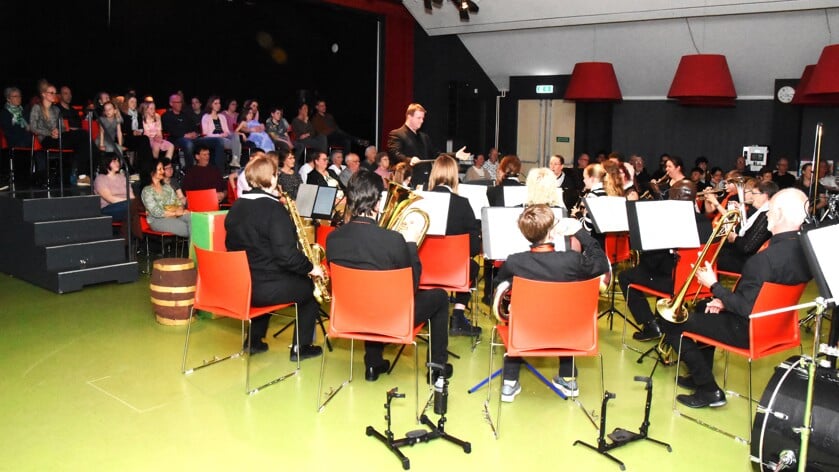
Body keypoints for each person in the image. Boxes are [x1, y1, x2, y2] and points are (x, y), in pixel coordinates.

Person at [665, 188, 812, 408]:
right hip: (777, 327)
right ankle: (700, 374)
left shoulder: (763, 260)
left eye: (770, 211)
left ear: (780, 215)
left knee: (672, 324)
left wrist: (713, 285)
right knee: (705, 307)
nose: (766, 216)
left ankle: (709, 390)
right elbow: (759, 298)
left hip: (748, 330)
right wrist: (722, 301)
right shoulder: (807, 252)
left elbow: (746, 309)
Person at [325, 169, 452, 382]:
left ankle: (373, 364)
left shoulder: (332, 238)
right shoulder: (393, 240)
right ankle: (437, 368)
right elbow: (411, 287)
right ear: (377, 203)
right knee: (439, 297)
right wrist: (410, 244)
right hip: (390, 319)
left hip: (349, 316)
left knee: (367, 295)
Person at [495, 205, 609, 401]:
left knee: (515, 317)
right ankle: (568, 378)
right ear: (551, 232)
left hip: (526, 330)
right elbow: (601, 263)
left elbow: (497, 288)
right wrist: (580, 233)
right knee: (565, 312)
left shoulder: (515, 261)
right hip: (567, 331)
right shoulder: (572, 260)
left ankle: (509, 383)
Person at [224, 155, 324, 359]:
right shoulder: (274, 210)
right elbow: (287, 257)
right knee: (309, 289)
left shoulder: (236, 207)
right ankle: (301, 349)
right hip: (264, 288)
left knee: (269, 277)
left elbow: (231, 246)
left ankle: (253, 341)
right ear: (271, 178)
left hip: (241, 285)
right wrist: (311, 268)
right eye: (276, 174)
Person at [618, 180, 713, 342]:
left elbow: (653, 261)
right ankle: (662, 320)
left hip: (673, 282)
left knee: (625, 276)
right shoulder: (706, 222)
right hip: (698, 282)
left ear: (674, 196)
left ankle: (650, 325)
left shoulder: (666, 222)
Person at [428, 154, 482, 336]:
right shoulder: (463, 204)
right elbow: (474, 247)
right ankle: (458, 315)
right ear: (454, 175)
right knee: (473, 266)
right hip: (454, 271)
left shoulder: (419, 200)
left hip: (424, 270)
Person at [386, 103, 470, 189]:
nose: (422, 121)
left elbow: (436, 155)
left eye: (423, 118)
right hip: (407, 182)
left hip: (426, 182)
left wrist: (455, 154)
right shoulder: (397, 134)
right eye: (419, 118)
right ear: (409, 117)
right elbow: (394, 153)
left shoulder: (424, 137)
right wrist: (409, 160)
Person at [717, 180, 778, 273]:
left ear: (765, 195)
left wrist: (734, 237)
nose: (752, 196)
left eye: (754, 193)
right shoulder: (763, 212)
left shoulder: (766, 216)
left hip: (746, 262)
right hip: (744, 257)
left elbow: (747, 247)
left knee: (710, 256)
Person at [161, 93, 225, 169]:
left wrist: (195, 133)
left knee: (218, 141)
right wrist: (185, 135)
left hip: (192, 138)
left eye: (181, 102)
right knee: (189, 144)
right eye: (177, 102)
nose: (180, 104)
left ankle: (217, 171)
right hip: (177, 139)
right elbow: (170, 130)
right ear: (171, 103)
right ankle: (191, 171)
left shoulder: (185, 115)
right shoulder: (166, 116)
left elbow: (194, 127)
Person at [141, 161, 190, 237]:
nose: (163, 171)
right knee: (187, 228)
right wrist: (175, 213)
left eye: (162, 169)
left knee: (194, 220)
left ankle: (197, 248)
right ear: (152, 172)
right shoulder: (147, 191)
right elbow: (156, 212)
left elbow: (178, 202)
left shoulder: (167, 187)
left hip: (175, 215)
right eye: (160, 169)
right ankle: (196, 248)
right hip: (158, 220)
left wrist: (180, 209)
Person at [201, 95, 242, 168]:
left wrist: (228, 134)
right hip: (212, 139)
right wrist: (219, 135)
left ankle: (235, 161)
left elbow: (227, 131)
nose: (218, 105)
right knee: (236, 145)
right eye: (215, 103)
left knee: (236, 137)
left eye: (219, 103)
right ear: (211, 105)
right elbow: (205, 134)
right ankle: (231, 164)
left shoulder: (222, 117)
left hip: (223, 138)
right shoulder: (206, 117)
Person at [93, 153, 134, 224]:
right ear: (106, 163)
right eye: (114, 161)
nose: (117, 163)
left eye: (118, 161)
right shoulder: (100, 179)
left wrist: (132, 202)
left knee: (137, 206)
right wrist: (129, 202)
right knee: (132, 206)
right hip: (108, 208)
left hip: (126, 205)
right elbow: (110, 198)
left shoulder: (122, 177)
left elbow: (132, 196)